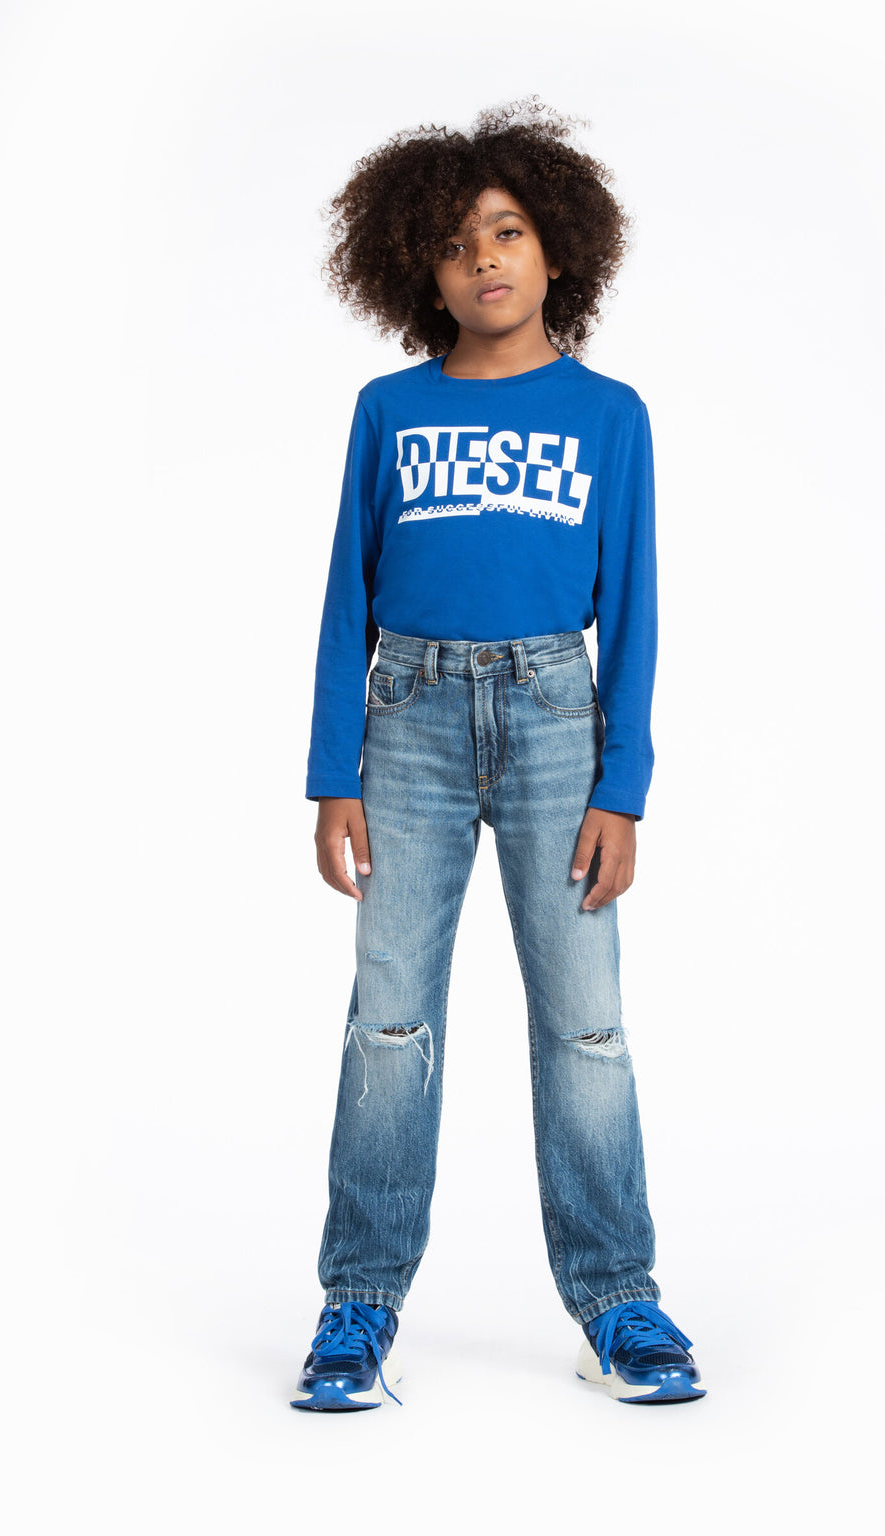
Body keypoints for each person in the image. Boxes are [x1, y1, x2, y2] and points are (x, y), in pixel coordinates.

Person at [291, 98, 706, 1412]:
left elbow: (634, 609)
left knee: (586, 1023)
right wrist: (335, 771)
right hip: (406, 723)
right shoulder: (389, 411)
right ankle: (360, 1302)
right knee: (388, 1018)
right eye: (458, 241)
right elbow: (345, 602)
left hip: (553, 723)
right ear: (418, 269)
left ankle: (617, 1298)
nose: (485, 258)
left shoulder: (609, 416)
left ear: (559, 250)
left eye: (510, 231)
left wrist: (622, 786)